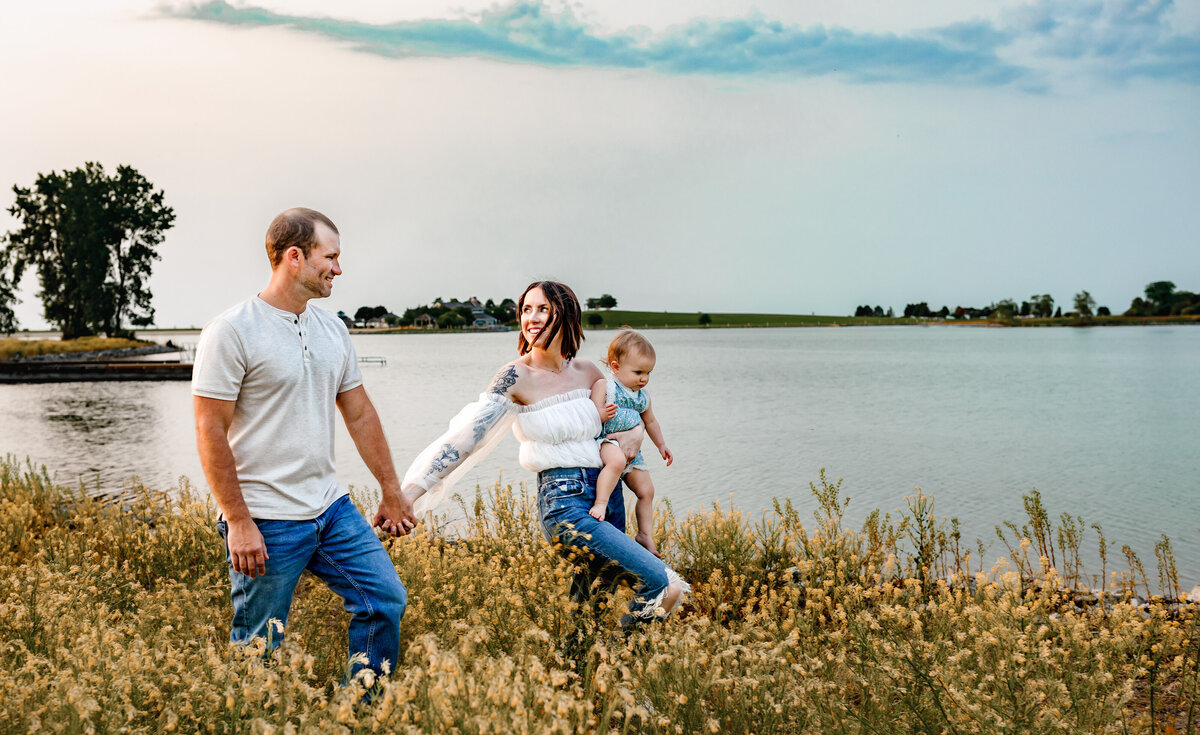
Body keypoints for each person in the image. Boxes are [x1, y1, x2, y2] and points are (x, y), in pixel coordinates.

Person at [192, 207, 415, 680]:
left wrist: (391, 489)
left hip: (329, 508)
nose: (338, 268)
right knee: (260, 645)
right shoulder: (231, 331)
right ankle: (252, 717)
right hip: (266, 519)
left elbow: (359, 413)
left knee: (384, 601)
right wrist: (237, 520)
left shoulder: (333, 329)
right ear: (295, 257)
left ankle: (364, 710)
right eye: (330, 257)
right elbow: (209, 430)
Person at [398, 281, 687, 627]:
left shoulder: (589, 373)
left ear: (566, 315)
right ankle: (622, 658)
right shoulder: (516, 376)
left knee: (588, 613)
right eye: (526, 309)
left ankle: (583, 674)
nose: (531, 318)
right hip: (565, 503)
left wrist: (638, 435)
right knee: (662, 585)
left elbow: (631, 417)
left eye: (543, 309)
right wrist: (407, 495)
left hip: (608, 499)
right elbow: (465, 437)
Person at [588, 330, 672, 557]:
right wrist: (602, 414)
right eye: (638, 372)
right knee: (615, 462)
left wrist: (661, 445)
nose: (644, 378)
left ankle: (645, 534)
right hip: (609, 442)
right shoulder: (605, 387)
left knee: (647, 490)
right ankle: (601, 503)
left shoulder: (643, 396)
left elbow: (651, 421)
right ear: (615, 367)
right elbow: (592, 414)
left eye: (648, 373)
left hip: (634, 453)